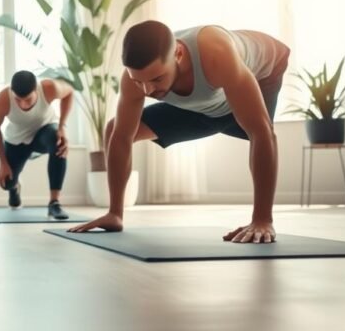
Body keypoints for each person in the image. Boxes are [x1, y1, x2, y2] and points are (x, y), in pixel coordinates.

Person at [70, 21, 290, 243]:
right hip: (209, 104)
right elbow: (122, 137)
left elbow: (262, 134)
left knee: (257, 128)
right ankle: (116, 213)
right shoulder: (134, 79)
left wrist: (262, 219)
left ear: (179, 53)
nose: (148, 90)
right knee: (114, 128)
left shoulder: (216, 52)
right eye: (139, 82)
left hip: (265, 72)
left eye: (156, 79)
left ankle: (263, 215)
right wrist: (114, 213)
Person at [0, 70, 74, 220]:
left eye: (27, 100)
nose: (23, 104)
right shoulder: (3, 99)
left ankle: (54, 203)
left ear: (36, 90)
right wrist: (3, 163)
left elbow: (69, 93)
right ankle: (15, 187)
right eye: (18, 100)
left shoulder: (49, 88)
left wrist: (62, 127)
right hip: (17, 140)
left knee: (59, 143)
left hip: (44, 131)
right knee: (6, 183)